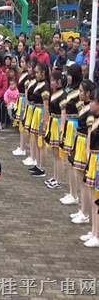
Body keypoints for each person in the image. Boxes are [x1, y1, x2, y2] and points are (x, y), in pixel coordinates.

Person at [68, 80, 95, 225]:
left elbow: (90, 133)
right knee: (80, 179)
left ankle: (85, 213)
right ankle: (82, 210)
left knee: (84, 181)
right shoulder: (83, 107)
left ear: (88, 94)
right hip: (79, 141)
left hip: (84, 143)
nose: (79, 93)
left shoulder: (90, 112)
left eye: (81, 91)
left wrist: (87, 151)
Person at [59, 65, 84, 206]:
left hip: (75, 127)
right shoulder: (69, 90)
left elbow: (83, 113)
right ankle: (72, 192)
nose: (67, 77)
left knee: (74, 163)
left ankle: (75, 195)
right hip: (69, 124)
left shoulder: (79, 92)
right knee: (69, 162)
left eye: (69, 74)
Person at [81, 89, 99, 247]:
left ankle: (97, 234)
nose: (90, 104)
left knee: (96, 199)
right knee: (93, 196)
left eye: (93, 102)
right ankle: (94, 231)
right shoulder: (94, 119)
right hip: (93, 158)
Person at [43, 71, 66, 189]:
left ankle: (59, 179)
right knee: (54, 153)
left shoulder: (62, 95)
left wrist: (61, 129)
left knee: (58, 154)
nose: (51, 83)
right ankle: (55, 176)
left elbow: (63, 113)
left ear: (58, 82)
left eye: (53, 81)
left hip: (57, 124)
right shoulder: (55, 93)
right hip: (53, 122)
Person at [27, 62, 51, 178]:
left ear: (43, 73)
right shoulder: (38, 83)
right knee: (36, 139)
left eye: (37, 72)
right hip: (36, 112)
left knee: (41, 142)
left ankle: (42, 167)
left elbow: (46, 104)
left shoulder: (45, 86)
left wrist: (45, 120)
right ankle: (37, 163)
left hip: (41, 112)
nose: (35, 74)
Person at [12, 56, 31, 157]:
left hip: (24, 100)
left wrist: (26, 104)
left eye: (23, 62)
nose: (21, 64)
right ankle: (21, 146)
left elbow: (27, 91)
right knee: (20, 125)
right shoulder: (23, 74)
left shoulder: (27, 76)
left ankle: (23, 147)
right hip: (21, 98)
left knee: (23, 125)